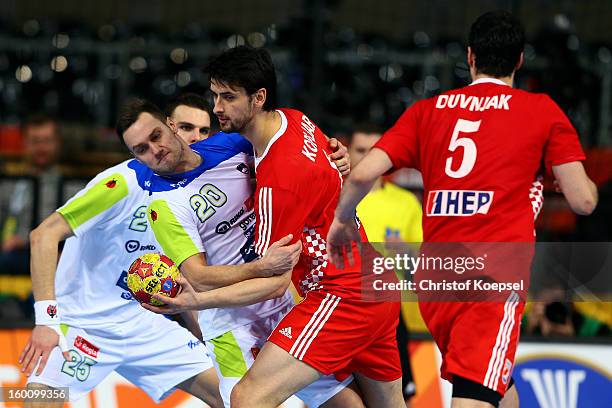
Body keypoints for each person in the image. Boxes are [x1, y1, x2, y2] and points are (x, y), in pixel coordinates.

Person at [327, 11, 598, 408]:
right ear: (519, 60)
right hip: (490, 282)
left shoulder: (427, 110)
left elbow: (364, 172)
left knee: (497, 384)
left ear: (470, 57)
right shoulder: (540, 111)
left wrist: (342, 219)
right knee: (475, 395)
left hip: (437, 284)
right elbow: (584, 201)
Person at [155, 45, 403, 408]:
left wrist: (197, 301)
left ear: (259, 98)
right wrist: (340, 159)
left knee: (247, 398)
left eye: (228, 97)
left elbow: (273, 283)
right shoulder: (295, 119)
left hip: (344, 293)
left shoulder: (277, 181)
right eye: (214, 95)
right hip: (375, 280)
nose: (217, 107)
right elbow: (326, 169)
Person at [117, 98, 357, 408]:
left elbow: (292, 146)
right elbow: (199, 277)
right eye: (141, 150)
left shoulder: (232, 146)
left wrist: (334, 155)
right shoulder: (163, 205)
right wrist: (261, 268)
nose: (155, 149)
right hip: (232, 326)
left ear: (170, 125)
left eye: (156, 136)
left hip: (284, 305)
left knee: (343, 401)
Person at [17, 103, 239, 407]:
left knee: (238, 398)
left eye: (203, 131)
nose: (195, 138)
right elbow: (42, 236)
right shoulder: (120, 184)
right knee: (37, 402)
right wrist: (46, 321)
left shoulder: (197, 192)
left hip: (145, 324)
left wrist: (206, 336)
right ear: (172, 126)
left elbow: (185, 276)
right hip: (83, 324)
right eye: (186, 128)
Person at [349, 124, 422, 406]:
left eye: (376, 151)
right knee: (332, 392)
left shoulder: (406, 204)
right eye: (360, 150)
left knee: (397, 397)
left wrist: (405, 254)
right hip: (336, 306)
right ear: (348, 151)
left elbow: (421, 267)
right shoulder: (331, 195)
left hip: (389, 314)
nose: (368, 158)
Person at [0, 114, 64, 276]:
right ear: (24, 144)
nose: (41, 148)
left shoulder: (73, 187)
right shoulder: (10, 184)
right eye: (35, 141)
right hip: (14, 257)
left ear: (57, 143)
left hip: (58, 257)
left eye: (47, 141)